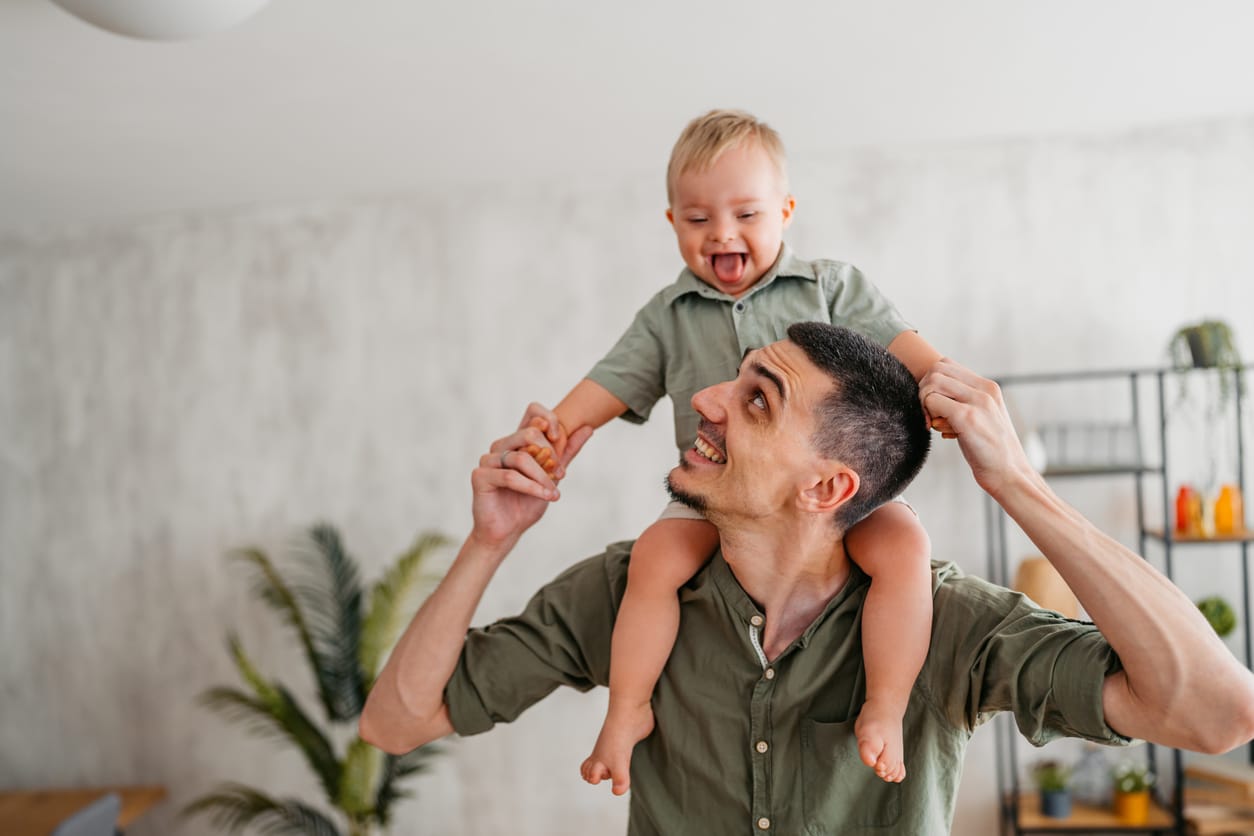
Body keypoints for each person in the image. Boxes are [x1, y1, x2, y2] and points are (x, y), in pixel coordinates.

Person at [360, 323, 1254, 835]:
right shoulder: (633, 591)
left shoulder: (948, 624)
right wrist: (490, 541)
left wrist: (1017, 484)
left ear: (827, 488)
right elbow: (395, 722)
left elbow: (1215, 713)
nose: (704, 400)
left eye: (756, 399)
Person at [523, 108, 946, 792]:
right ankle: (627, 710)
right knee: (653, 562)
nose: (722, 233)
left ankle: (886, 706)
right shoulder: (667, 315)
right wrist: (554, 432)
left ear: (785, 210)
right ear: (671, 223)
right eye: (697, 219)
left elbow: (906, 348)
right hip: (719, 501)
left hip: (824, 501)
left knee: (905, 547)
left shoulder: (830, 287)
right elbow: (609, 381)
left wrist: (945, 384)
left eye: (746, 214)